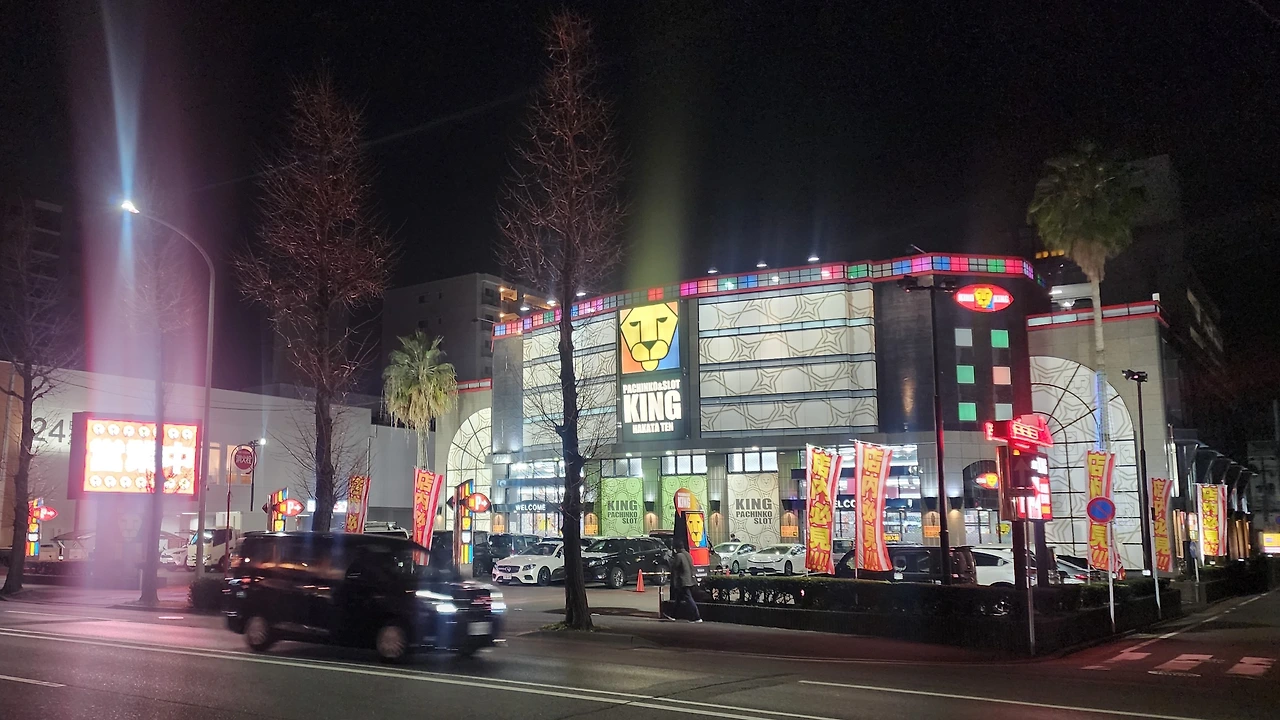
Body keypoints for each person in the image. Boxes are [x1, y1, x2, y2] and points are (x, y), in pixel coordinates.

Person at [670, 541, 703, 623]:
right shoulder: (688, 554)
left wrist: (674, 582)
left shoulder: (678, 556)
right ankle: (673, 615)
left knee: (689, 599)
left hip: (683, 581)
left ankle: (697, 617)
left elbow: (675, 569)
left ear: (677, 548)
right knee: (678, 599)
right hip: (691, 580)